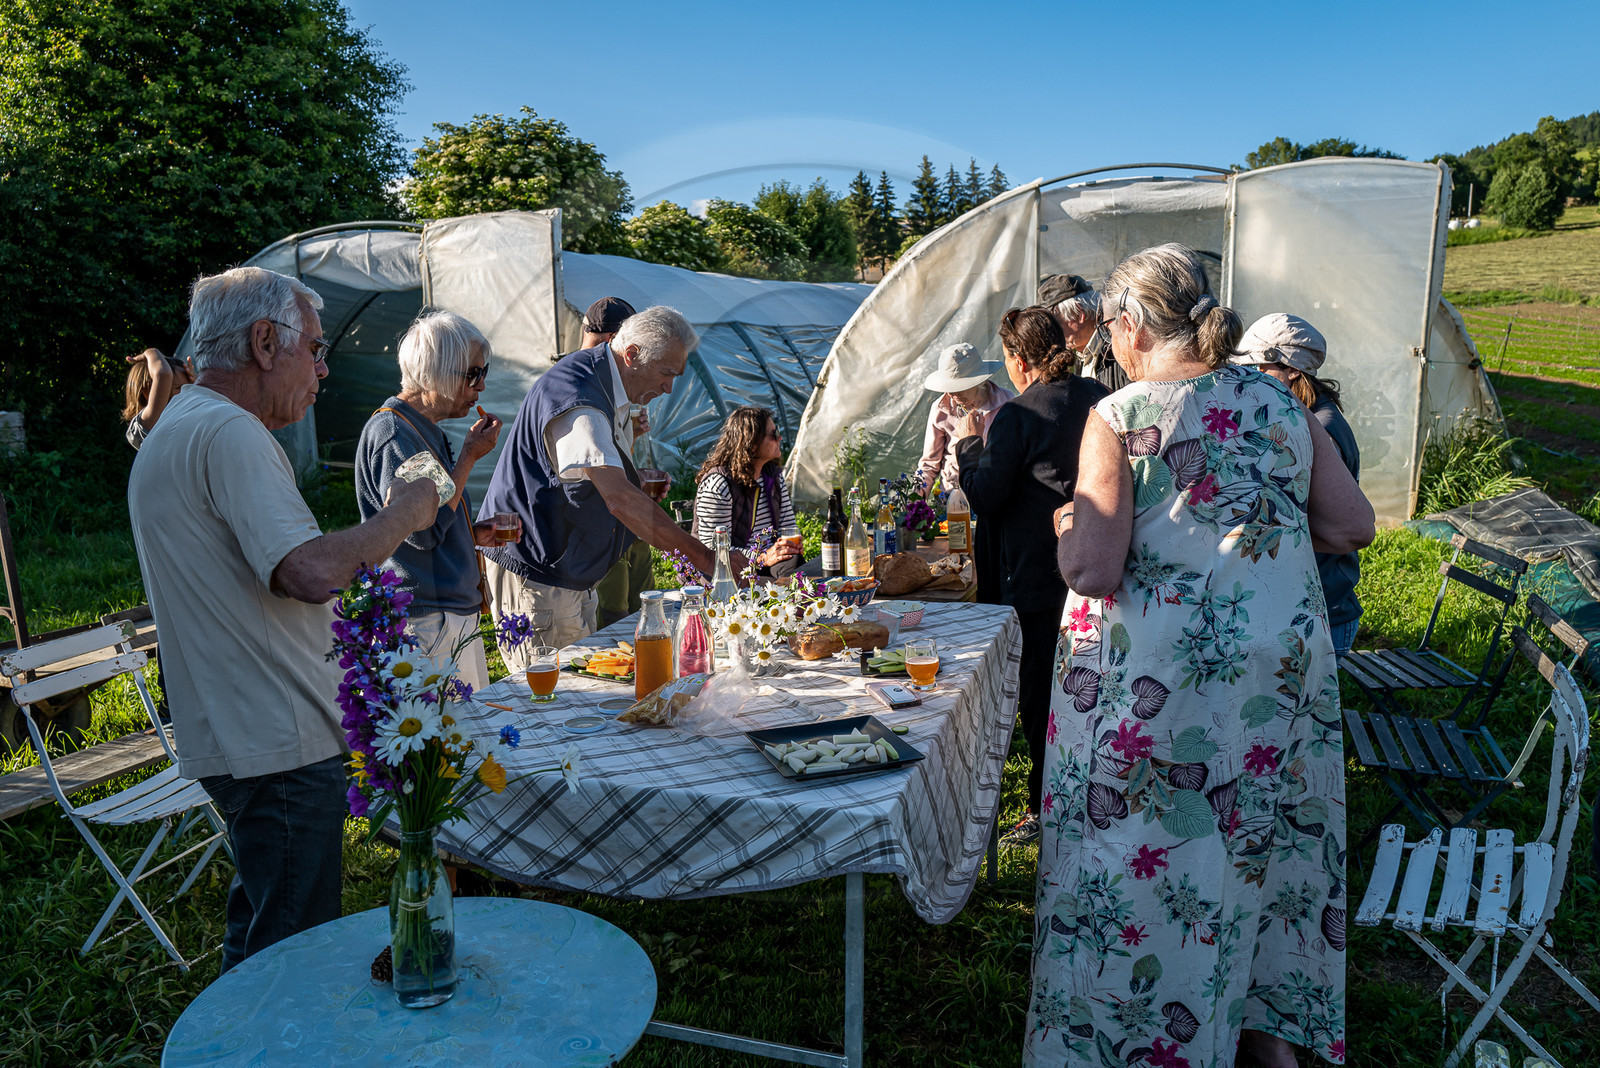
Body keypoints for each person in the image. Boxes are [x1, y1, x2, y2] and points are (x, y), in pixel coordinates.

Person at [1026, 244, 1374, 1068]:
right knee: (1265, 844)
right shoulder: (1278, 400)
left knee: (1153, 855)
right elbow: (1351, 525)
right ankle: (1267, 1039)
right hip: (1274, 678)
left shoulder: (1122, 415)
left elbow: (1094, 570)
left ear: (1131, 327)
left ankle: (1143, 1040)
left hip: (1165, 685)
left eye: (1108, 329)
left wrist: (1067, 524)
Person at [128, 266, 440, 973]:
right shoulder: (229, 432)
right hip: (279, 740)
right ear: (265, 342)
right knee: (294, 957)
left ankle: (233, 1031)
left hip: (240, 732)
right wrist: (405, 511)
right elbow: (309, 572)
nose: (323, 370)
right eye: (316, 349)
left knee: (262, 935)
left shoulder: (180, 425)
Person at [478, 305, 728, 665]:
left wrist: (633, 478)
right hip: (540, 575)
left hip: (569, 572)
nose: (668, 388)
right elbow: (619, 499)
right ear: (631, 354)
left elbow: (591, 475)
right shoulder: (580, 398)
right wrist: (706, 559)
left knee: (586, 677)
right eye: (665, 373)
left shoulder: (604, 383)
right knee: (557, 688)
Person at [955, 307, 1109, 849]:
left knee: (1041, 696)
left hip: (1036, 578)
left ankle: (1046, 809)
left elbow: (986, 495)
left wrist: (969, 446)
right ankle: (1091, 792)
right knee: (1094, 687)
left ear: (1019, 360)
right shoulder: (1099, 396)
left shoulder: (1018, 416)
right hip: (1097, 567)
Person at [354, 310, 502, 691]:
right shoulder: (394, 434)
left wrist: (468, 534)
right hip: (428, 622)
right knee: (454, 727)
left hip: (447, 617)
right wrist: (468, 457)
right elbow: (421, 530)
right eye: (472, 374)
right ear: (435, 373)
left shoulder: (423, 429)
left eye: (483, 372)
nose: (481, 386)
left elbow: (437, 516)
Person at [1232, 313, 1363, 657]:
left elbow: (1303, 519)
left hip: (1324, 614)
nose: (1251, 377)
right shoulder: (1306, 417)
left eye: (1259, 367)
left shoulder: (1320, 429)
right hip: (1312, 605)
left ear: (1291, 370)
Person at [577, 297, 660, 630]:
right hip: (601, 524)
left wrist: (632, 439)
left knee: (645, 606)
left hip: (628, 521)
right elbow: (585, 473)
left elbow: (605, 459)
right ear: (618, 343)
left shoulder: (614, 384)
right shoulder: (575, 384)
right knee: (615, 616)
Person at [694, 406, 803, 580]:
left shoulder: (773, 478)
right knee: (784, 580)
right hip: (725, 567)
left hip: (766, 562)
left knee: (794, 564)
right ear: (752, 444)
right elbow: (713, 549)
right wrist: (761, 558)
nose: (780, 438)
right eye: (773, 434)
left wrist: (789, 546)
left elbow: (788, 527)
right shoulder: (719, 484)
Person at [917, 342, 1014, 497]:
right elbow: (928, 465)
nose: (952, 394)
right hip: (952, 496)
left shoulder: (1007, 403)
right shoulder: (940, 409)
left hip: (996, 493)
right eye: (949, 388)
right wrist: (915, 500)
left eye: (959, 387)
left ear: (979, 381)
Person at [1038, 273, 1129, 393]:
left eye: (1056, 323)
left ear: (1079, 314)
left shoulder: (1120, 349)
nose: (1053, 332)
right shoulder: (1080, 354)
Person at [122, 347, 194, 449]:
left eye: (188, 387)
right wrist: (151, 352)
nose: (186, 392)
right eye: (179, 388)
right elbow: (163, 374)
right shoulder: (147, 423)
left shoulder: (186, 417)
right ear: (148, 393)